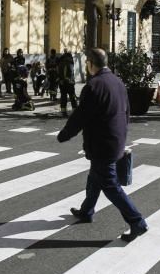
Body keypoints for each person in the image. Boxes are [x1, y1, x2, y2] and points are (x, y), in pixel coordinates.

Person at [59, 48, 148, 242]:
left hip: (102, 144)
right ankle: (86, 211)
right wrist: (122, 139)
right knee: (95, 177)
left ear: (90, 63)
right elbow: (126, 113)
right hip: (114, 140)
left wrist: (64, 135)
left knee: (109, 185)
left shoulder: (94, 86)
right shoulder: (118, 82)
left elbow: (80, 116)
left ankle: (137, 221)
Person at [58, 49, 79, 116]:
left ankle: (63, 111)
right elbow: (70, 72)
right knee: (72, 97)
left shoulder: (60, 63)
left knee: (63, 96)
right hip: (69, 83)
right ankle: (74, 110)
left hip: (62, 83)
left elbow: (59, 73)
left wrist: (61, 80)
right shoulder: (69, 63)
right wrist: (71, 80)